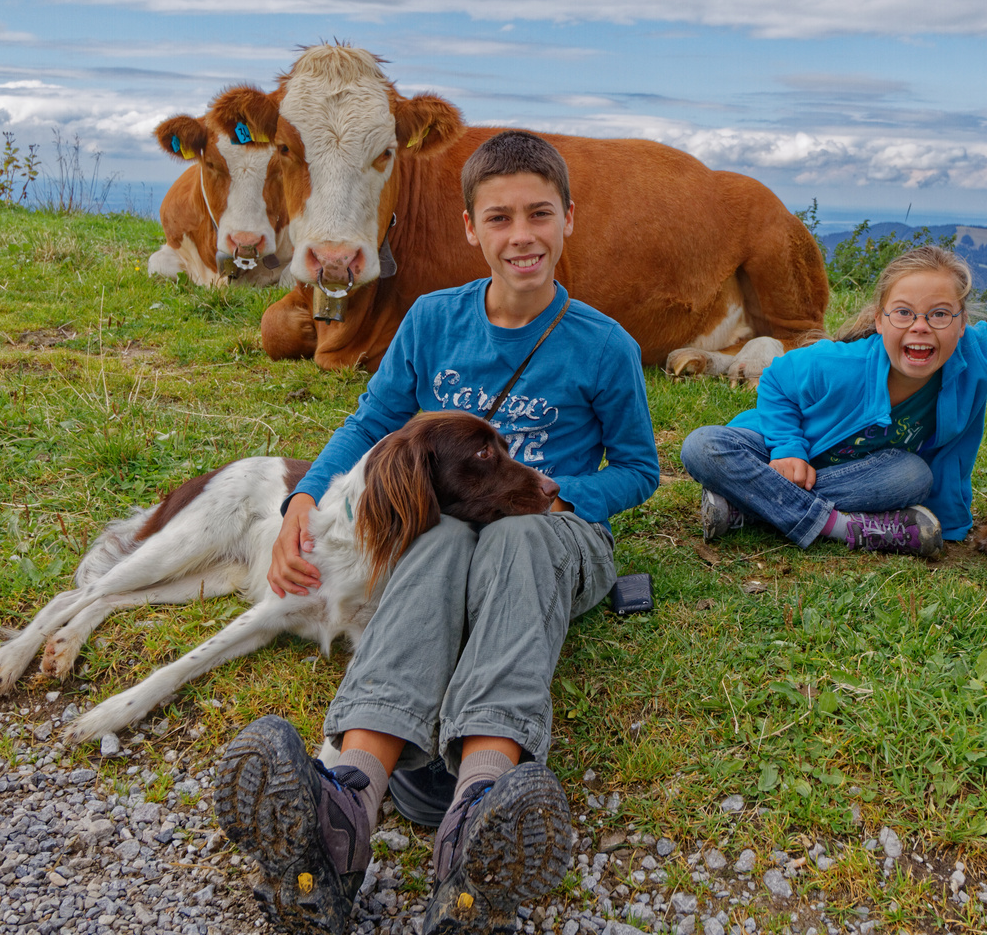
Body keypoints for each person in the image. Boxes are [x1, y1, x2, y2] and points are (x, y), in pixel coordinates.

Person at [215, 131, 660, 935]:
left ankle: (479, 816)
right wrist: (303, 501)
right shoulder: (433, 320)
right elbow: (375, 420)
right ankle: (345, 807)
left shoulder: (605, 345)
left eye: (538, 215)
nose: (520, 235)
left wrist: (563, 496)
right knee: (437, 540)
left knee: (518, 539)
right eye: (499, 218)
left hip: (555, 531)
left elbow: (638, 468)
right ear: (470, 229)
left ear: (568, 220)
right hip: (449, 525)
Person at [681, 245, 987, 554]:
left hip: (860, 478)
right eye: (903, 312)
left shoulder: (978, 355)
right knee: (702, 445)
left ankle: (750, 507)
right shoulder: (840, 364)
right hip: (776, 456)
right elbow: (776, 380)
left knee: (914, 476)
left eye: (940, 314)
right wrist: (788, 448)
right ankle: (842, 526)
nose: (921, 326)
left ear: (962, 325)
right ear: (879, 321)